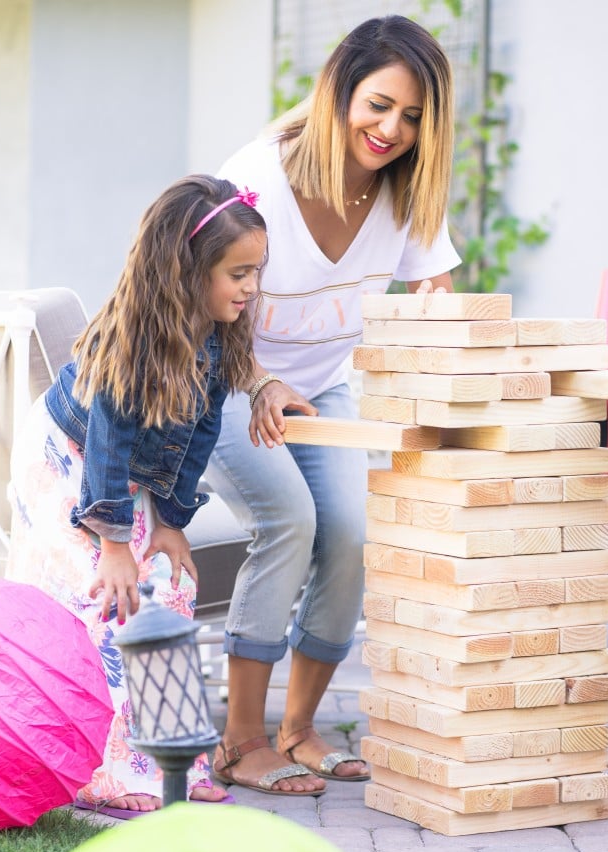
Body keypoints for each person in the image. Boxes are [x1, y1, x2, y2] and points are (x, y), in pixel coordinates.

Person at [204, 15, 461, 795]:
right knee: (293, 518)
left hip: (319, 390)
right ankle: (241, 739)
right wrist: (257, 384)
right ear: (340, 92)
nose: (392, 129)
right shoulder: (258, 179)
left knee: (352, 532)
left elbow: (433, 296)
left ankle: (300, 729)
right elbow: (200, 308)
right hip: (224, 382)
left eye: (413, 117)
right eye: (379, 105)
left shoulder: (406, 192)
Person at [6, 175, 267, 817]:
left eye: (256, 271)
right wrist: (115, 544)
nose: (251, 286)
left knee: (169, 590)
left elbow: (201, 434)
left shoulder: (218, 332)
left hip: (120, 477)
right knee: (112, 600)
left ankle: (174, 759)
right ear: (189, 271)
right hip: (65, 460)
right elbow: (105, 441)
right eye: (239, 272)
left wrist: (173, 523)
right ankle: (103, 771)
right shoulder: (135, 338)